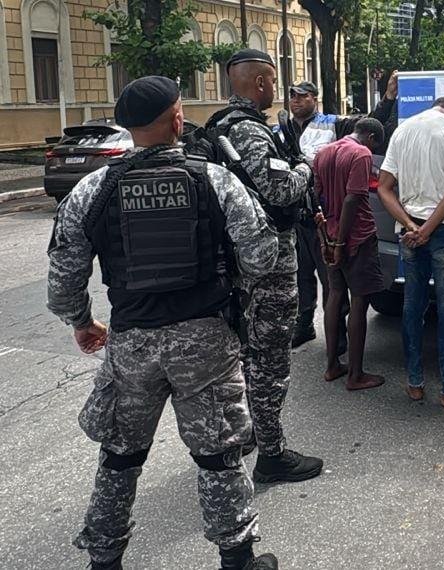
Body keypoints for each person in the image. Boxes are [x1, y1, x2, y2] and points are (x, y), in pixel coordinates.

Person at [47, 76, 280, 570]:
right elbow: (262, 255)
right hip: (206, 342)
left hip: (131, 343)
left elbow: (63, 278)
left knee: (120, 457)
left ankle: (104, 559)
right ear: (178, 119)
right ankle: (238, 559)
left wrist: (82, 322)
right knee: (219, 456)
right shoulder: (214, 179)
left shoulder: (95, 187)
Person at [213, 48, 324, 482]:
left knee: (244, 353)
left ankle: (246, 434)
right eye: (274, 82)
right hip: (268, 264)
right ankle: (273, 454)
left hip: (237, 262)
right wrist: (305, 168)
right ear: (260, 82)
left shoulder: (219, 127)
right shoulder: (251, 133)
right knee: (270, 359)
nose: (277, 91)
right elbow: (280, 191)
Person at [377, 98, 444, 408]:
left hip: (409, 233)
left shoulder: (403, 130)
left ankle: (415, 383)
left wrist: (411, 225)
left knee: (413, 306)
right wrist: (429, 229)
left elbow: (384, 187)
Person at [288, 73, 399, 348]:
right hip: (297, 214)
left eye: (303, 95)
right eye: (292, 96)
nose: (296, 101)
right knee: (302, 274)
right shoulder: (282, 129)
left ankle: (338, 337)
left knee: (332, 282)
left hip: (326, 217)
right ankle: (304, 324)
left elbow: (368, 125)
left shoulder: (333, 123)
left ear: (315, 99)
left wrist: (387, 98)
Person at [314, 118, 387, 391]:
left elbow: (317, 198)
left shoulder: (324, 151)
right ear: (370, 137)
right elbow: (353, 198)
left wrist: (326, 238)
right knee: (359, 302)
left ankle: (332, 365)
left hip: (330, 232)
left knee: (334, 296)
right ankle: (356, 375)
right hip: (357, 237)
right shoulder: (361, 153)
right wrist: (343, 243)